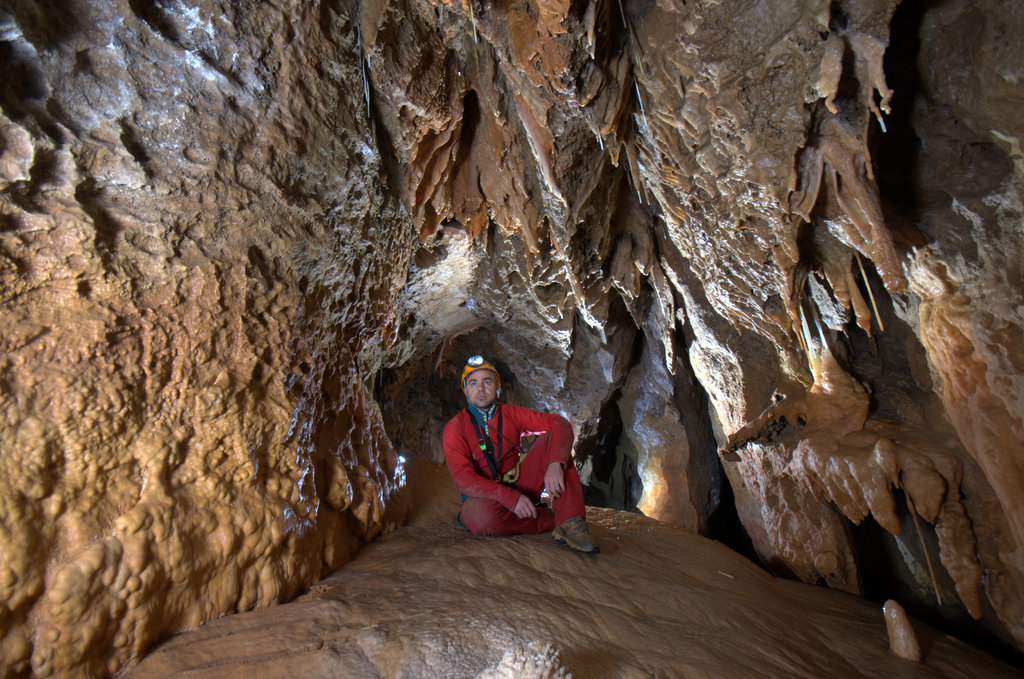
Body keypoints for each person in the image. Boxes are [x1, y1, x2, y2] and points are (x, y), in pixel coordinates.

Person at [443, 355, 599, 553]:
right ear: (465, 390)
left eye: (487, 382)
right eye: (473, 383)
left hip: (518, 482)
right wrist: (510, 498)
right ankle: (548, 520)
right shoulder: (456, 427)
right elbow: (464, 480)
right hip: (484, 497)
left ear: (498, 387)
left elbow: (559, 424)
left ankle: (569, 522)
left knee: (554, 443)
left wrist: (555, 464)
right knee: (481, 518)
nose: (480, 389)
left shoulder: (510, 414)